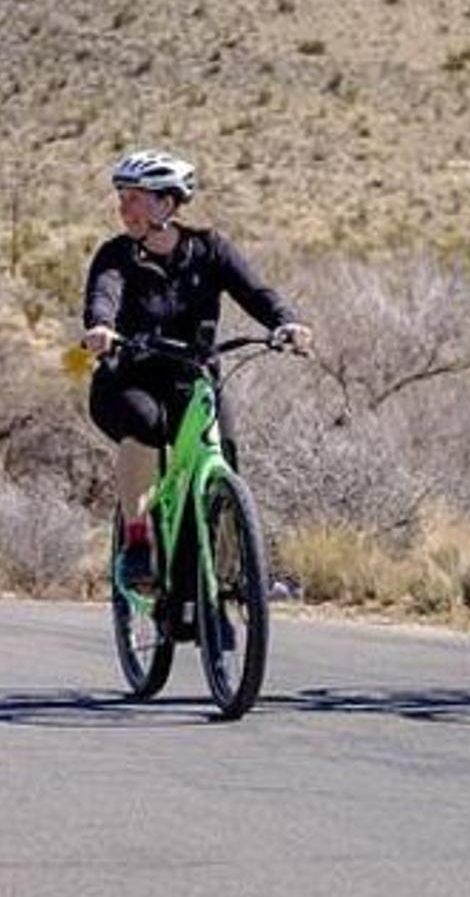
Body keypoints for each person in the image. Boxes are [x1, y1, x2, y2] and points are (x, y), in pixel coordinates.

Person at [80, 150, 310, 587]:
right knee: (145, 424)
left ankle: (224, 579)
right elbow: (103, 298)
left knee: (226, 455)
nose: (122, 208)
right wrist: (102, 329)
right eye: (121, 198)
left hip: (194, 376)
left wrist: (286, 321)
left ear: (166, 204)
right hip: (129, 379)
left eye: (134, 198)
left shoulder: (210, 249)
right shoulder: (115, 256)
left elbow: (256, 291)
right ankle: (138, 542)